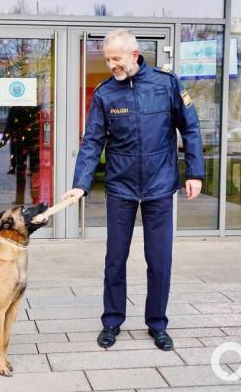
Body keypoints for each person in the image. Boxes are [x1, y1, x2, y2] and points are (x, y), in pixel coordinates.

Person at [61, 29, 204, 351]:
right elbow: (93, 141)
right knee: (115, 259)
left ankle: (157, 324)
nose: (112, 64)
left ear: (134, 54)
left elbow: (190, 127)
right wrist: (80, 184)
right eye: (108, 59)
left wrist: (195, 172)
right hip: (121, 188)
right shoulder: (105, 93)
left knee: (159, 260)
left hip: (159, 187)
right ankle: (112, 321)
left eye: (116, 58)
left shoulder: (167, 85)